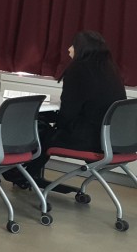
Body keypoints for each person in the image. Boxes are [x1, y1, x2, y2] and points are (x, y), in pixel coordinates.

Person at [20, 31, 126, 184]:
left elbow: (68, 113)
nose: (69, 49)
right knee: (45, 126)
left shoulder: (78, 69)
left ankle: (22, 176)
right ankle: (28, 176)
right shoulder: (111, 69)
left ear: (82, 48)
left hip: (89, 140)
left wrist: (56, 125)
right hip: (112, 139)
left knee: (40, 131)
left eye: (73, 45)